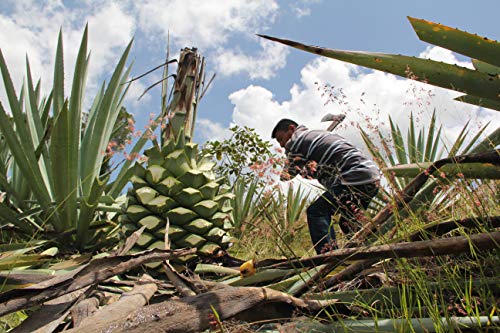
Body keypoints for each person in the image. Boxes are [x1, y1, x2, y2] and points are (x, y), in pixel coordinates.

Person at [272, 118, 380, 254]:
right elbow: (316, 171)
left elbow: (287, 175)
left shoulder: (296, 141)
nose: (282, 145)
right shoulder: (316, 134)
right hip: (371, 176)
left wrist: (290, 170)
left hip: (353, 176)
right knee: (348, 221)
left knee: (316, 211)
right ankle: (359, 255)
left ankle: (329, 258)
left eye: (281, 139)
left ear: (292, 129)